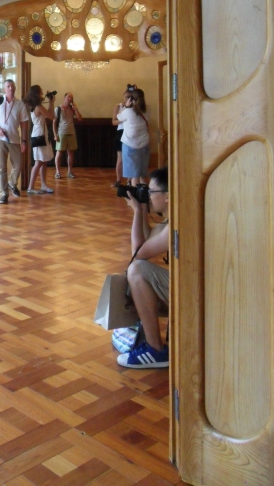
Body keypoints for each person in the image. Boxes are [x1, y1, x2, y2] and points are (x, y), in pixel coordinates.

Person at [117, 166, 170, 368]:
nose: (148, 196)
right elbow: (145, 242)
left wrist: (139, 211)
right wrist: (139, 212)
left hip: (198, 292)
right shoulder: (169, 222)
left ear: (168, 196)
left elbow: (138, 253)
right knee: (137, 268)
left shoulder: (175, 225)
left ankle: (155, 348)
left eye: (152, 191)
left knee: (137, 270)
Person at [0, 79, 29, 204]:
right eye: (8, 86)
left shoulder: (20, 105)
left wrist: (24, 141)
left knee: (18, 165)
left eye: (12, 86)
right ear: (4, 89)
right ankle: (3, 194)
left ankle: (12, 183)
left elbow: (24, 124)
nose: (10, 88)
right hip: (0, 138)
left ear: (15, 88)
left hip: (14, 139)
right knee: (1, 167)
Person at [23, 85, 55, 194]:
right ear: (37, 93)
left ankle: (43, 185)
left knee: (44, 161)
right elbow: (52, 116)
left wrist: (51, 103)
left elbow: (49, 114)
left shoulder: (35, 106)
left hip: (40, 134)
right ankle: (30, 187)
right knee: (39, 162)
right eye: (40, 92)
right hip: (39, 135)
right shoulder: (38, 106)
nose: (42, 94)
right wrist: (51, 102)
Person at [116, 88, 149, 185]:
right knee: (142, 174)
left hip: (130, 145)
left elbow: (119, 116)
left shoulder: (128, 112)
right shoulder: (146, 111)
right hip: (144, 144)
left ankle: (135, 194)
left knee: (134, 176)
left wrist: (126, 106)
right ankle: (144, 192)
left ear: (131, 99)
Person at [53, 92, 82, 178]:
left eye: (71, 97)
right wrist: (55, 135)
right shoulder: (58, 109)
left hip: (71, 133)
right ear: (64, 97)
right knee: (59, 154)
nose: (70, 98)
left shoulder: (72, 109)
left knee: (70, 154)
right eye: (69, 96)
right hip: (61, 133)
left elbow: (80, 118)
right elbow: (54, 123)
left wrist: (76, 109)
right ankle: (57, 172)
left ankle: (70, 171)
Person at [112, 85, 135, 187]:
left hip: (131, 132)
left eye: (130, 97)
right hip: (121, 132)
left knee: (130, 158)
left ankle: (129, 180)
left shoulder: (135, 107)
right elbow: (114, 122)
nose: (128, 99)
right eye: (126, 97)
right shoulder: (119, 106)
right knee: (120, 159)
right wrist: (123, 118)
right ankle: (118, 179)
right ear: (123, 96)